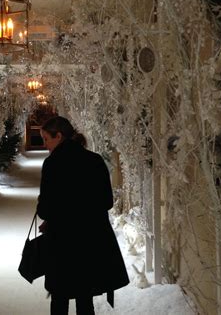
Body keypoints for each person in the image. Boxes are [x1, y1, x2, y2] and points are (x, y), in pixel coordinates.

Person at [37, 116, 129, 315]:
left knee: (59, 298)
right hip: (90, 241)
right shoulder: (95, 161)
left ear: (59, 136)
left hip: (61, 242)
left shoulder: (52, 164)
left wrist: (55, 215)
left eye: (46, 139)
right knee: (84, 298)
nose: (44, 145)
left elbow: (44, 209)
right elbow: (107, 202)